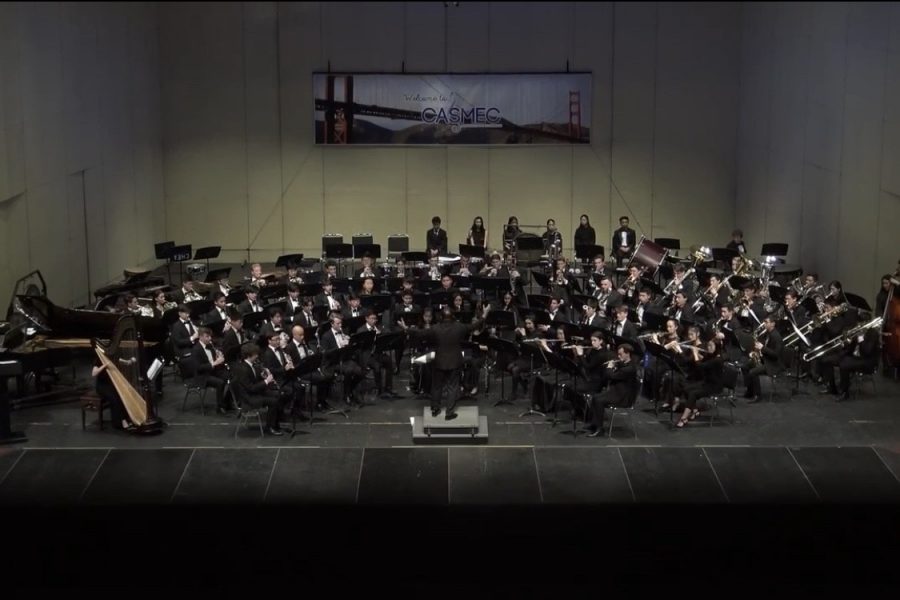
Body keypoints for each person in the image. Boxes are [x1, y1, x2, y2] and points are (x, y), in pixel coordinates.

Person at [401, 304, 490, 419]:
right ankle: (449, 412)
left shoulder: (435, 328)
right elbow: (474, 326)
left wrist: (406, 328)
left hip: (439, 361)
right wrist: (485, 314)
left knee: (436, 386)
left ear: (441, 317)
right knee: (452, 387)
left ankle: (435, 409)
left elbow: (420, 333)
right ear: (453, 316)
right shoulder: (459, 327)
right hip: (454, 361)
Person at [231, 343, 285, 435]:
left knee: (278, 394)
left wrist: (263, 375)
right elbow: (251, 388)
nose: (257, 356)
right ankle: (270, 427)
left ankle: (275, 423)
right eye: (255, 354)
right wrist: (266, 381)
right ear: (249, 355)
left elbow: (256, 379)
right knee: (273, 402)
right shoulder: (242, 369)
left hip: (255, 392)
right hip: (248, 398)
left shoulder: (252, 365)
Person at [586, 343, 639, 436]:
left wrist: (610, 367)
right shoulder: (623, 364)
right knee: (595, 397)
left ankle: (600, 429)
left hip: (623, 397)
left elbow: (611, 376)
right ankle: (595, 424)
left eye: (620, 354)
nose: (618, 356)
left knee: (599, 400)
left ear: (628, 353)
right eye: (618, 354)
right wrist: (615, 366)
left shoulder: (630, 368)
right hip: (616, 392)